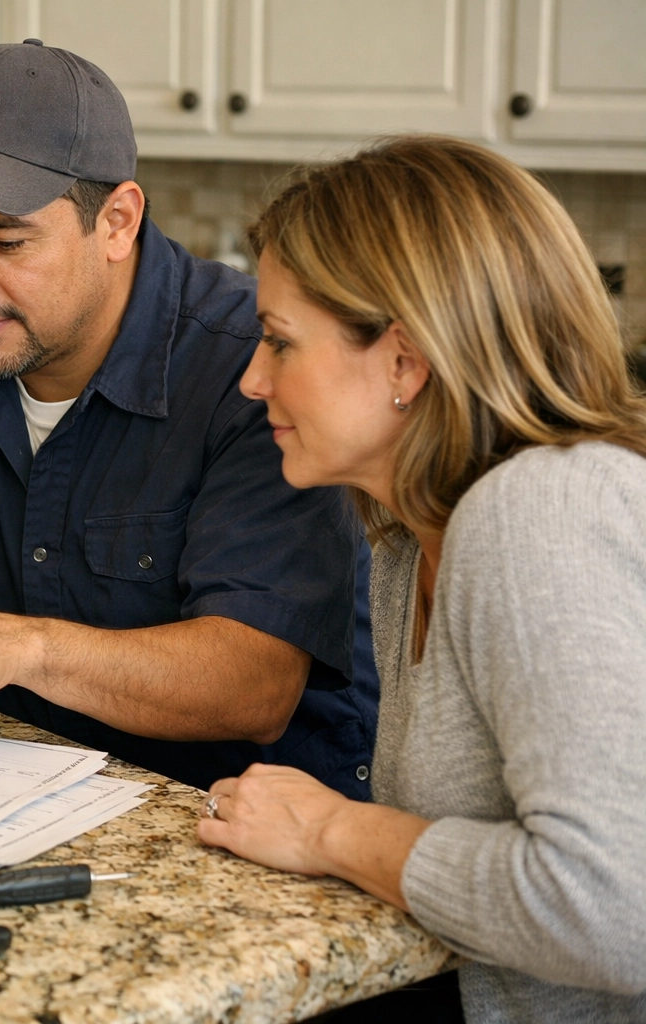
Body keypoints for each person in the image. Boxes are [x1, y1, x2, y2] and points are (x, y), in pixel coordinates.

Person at [0, 40, 379, 796]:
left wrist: (17, 648)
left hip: (238, 815)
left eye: (6, 241)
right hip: (19, 782)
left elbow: (256, 684)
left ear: (117, 222)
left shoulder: (256, 366)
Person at [199, 135, 646, 1022]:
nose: (253, 380)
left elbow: (614, 910)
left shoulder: (537, 517)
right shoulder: (408, 532)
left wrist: (330, 829)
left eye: (280, 343)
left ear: (404, 362)